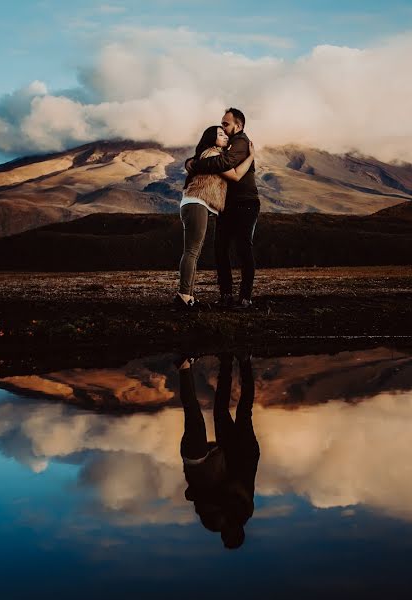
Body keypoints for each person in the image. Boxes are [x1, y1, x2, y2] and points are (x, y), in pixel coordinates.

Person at [177, 352, 259, 549]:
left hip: (228, 454)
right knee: (243, 410)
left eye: (224, 537)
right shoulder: (244, 511)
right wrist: (215, 495)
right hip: (245, 452)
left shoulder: (218, 520)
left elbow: (210, 494)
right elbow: (234, 488)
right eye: (228, 536)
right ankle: (244, 361)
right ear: (238, 532)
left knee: (220, 409)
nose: (225, 533)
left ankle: (226, 362)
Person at [185, 108, 260, 309]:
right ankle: (226, 296)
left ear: (239, 125)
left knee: (244, 248)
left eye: (226, 124)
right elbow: (210, 155)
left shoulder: (242, 142)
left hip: (245, 202)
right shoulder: (225, 146)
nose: (223, 128)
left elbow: (225, 163)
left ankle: (245, 298)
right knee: (221, 249)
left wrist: (197, 164)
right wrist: (190, 161)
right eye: (222, 124)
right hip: (228, 205)